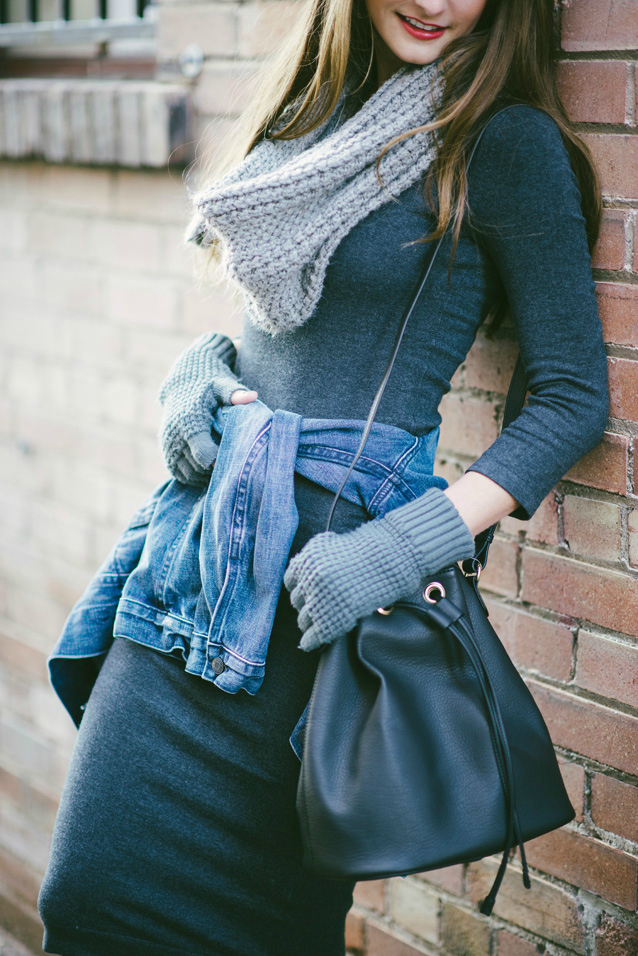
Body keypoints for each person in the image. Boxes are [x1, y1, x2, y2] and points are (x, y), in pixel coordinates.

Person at [37, 0, 609, 953]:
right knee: (86, 903)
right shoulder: (308, 114)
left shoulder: (501, 142)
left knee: (261, 933)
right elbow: (277, 338)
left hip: (318, 615)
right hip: (191, 576)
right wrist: (198, 373)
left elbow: (571, 399)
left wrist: (399, 551)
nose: (435, 2)